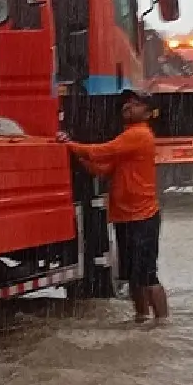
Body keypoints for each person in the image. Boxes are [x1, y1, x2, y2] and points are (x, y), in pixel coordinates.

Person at [63, 90, 168, 324]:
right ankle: (141, 318)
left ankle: (162, 323)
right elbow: (101, 168)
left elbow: (101, 151)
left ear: (149, 113)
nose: (128, 106)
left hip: (143, 216)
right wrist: (77, 155)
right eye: (128, 102)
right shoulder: (128, 139)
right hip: (125, 217)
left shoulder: (139, 135)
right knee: (133, 276)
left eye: (136, 104)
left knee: (147, 274)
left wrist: (69, 145)